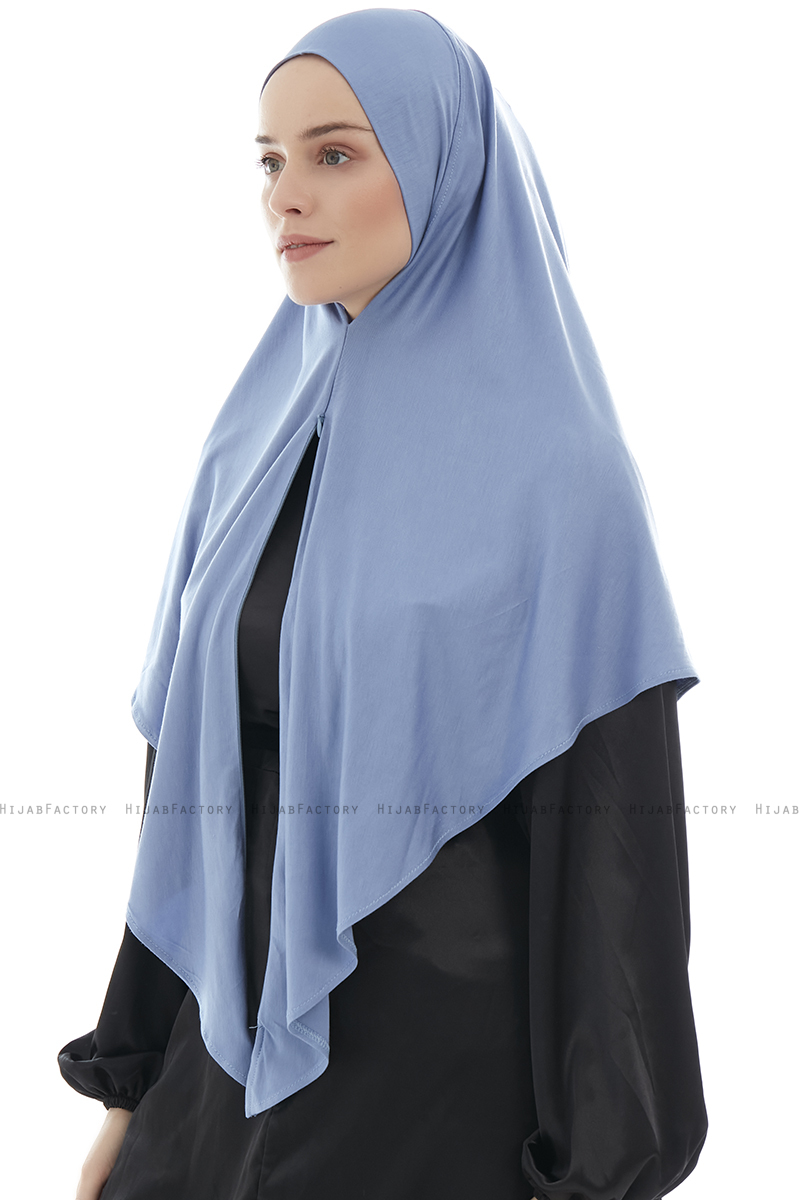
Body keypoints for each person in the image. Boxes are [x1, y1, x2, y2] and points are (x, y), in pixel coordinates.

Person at [58, 10, 708, 1200]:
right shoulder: (253, 446)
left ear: (444, 167)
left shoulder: (560, 480)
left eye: (335, 153)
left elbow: (610, 865)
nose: (284, 195)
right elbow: (190, 792)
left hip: (436, 1095)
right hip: (221, 1068)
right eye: (268, 159)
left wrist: (595, 1173)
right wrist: (131, 1085)